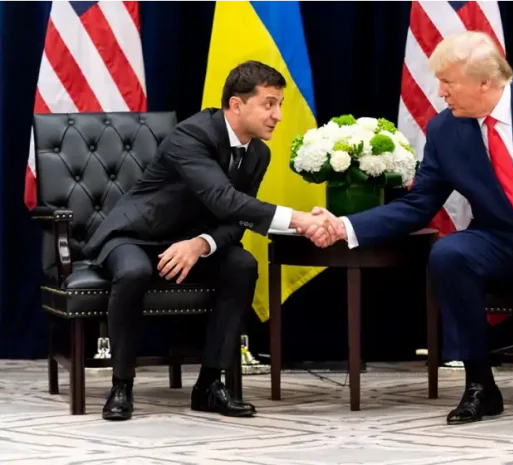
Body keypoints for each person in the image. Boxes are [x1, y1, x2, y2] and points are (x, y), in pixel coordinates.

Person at [302, 31, 513, 426]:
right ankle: (480, 384)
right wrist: (344, 225)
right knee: (449, 254)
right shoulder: (445, 129)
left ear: (485, 83)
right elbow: (418, 205)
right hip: (505, 239)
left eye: (448, 82)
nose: (440, 92)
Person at [83, 60, 333, 421]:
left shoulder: (258, 153)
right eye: (269, 104)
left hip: (191, 242)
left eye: (279, 104)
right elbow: (224, 200)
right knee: (134, 272)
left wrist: (200, 244)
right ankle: (122, 384)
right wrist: (300, 220)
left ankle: (210, 385)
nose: (278, 115)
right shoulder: (191, 135)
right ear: (236, 104)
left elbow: (238, 220)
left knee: (242, 265)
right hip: (137, 236)